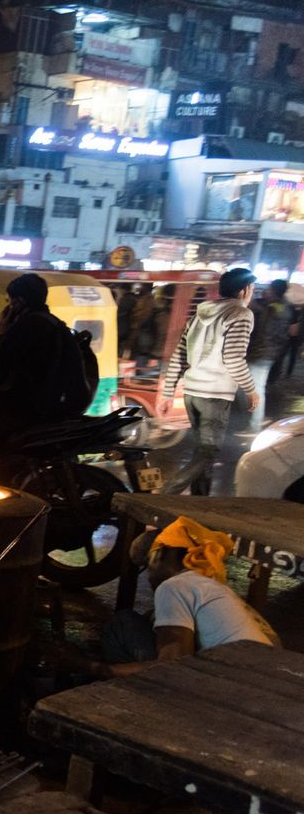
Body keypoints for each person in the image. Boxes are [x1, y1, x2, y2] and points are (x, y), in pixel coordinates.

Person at [94, 518, 275, 677]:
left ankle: (137, 698)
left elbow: (173, 666)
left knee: (123, 623)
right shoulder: (215, 588)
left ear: (161, 554)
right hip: (267, 678)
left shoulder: (174, 586)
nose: (148, 576)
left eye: (148, 564)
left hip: (231, 685)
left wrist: (92, 667)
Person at [159, 267, 259, 496]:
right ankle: (168, 492)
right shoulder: (241, 314)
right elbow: (233, 358)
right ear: (245, 289)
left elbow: (179, 355)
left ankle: (200, 502)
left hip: (192, 392)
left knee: (201, 451)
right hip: (215, 394)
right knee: (208, 452)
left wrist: (167, 393)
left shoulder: (199, 314)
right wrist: (251, 390)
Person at [0, 273, 78, 456]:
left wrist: (2, 334)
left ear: (18, 302)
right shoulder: (58, 326)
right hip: (55, 409)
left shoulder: (26, 327)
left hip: (24, 410)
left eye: (9, 301)